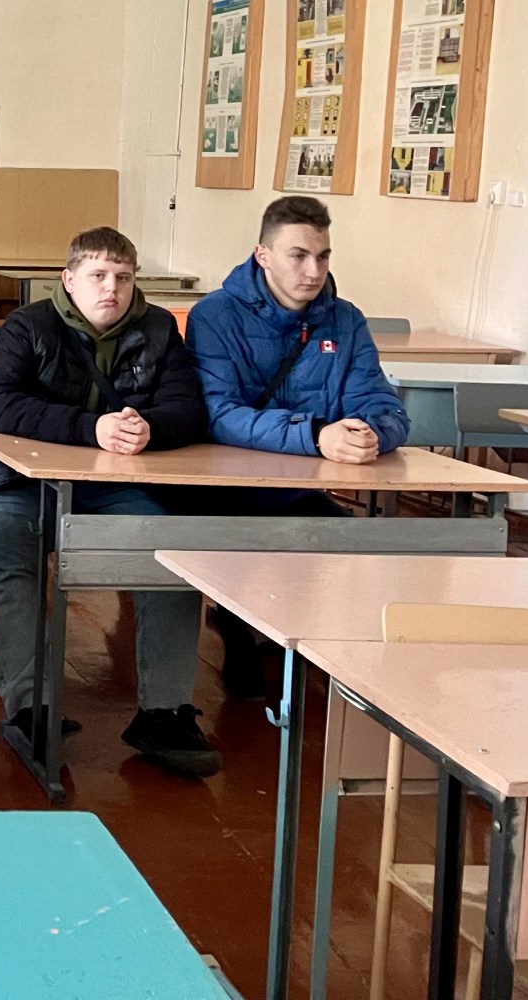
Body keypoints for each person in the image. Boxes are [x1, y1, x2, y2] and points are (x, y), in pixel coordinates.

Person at [0, 228, 220, 777]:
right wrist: (90, 428)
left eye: (123, 278)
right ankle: (30, 707)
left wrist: (150, 427)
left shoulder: (158, 330)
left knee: (171, 557)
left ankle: (164, 712)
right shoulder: (27, 327)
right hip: (11, 480)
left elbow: (189, 408)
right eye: (98, 276)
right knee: (9, 550)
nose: (112, 289)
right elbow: (1, 406)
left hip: (111, 485)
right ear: (69, 280)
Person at [185, 194, 409, 695]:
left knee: (358, 550)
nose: (314, 271)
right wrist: (315, 435)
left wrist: (373, 434)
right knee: (234, 543)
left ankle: (325, 653)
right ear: (263, 255)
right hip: (224, 488)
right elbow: (219, 415)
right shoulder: (215, 316)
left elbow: (383, 404)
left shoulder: (345, 320)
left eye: (323, 256)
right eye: (299, 255)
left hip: (300, 487)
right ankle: (239, 632)